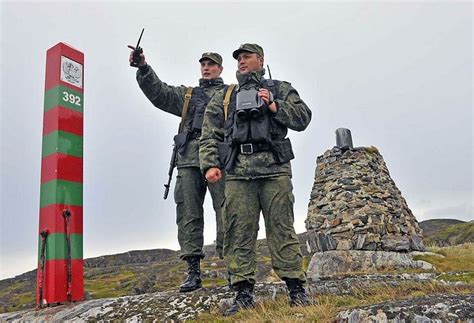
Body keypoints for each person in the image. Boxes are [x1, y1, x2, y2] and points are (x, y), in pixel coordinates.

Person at [199, 43, 312, 315]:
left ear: (260, 60)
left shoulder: (280, 88)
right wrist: (209, 165)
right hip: (238, 173)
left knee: (282, 228)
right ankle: (243, 293)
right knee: (238, 233)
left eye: (247, 57)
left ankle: (296, 289)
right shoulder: (225, 97)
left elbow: (303, 118)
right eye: (238, 58)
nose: (241, 61)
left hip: (274, 169)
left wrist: (275, 105)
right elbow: (209, 134)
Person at [129, 48, 231, 293]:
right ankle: (193, 272)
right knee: (188, 215)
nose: (207, 68)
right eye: (203, 64)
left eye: (212, 64)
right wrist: (143, 68)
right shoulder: (188, 96)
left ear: (220, 68)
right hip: (188, 160)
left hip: (220, 159)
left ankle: (234, 269)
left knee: (228, 212)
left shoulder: (231, 94)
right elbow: (160, 93)